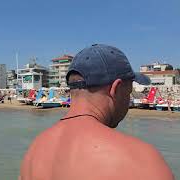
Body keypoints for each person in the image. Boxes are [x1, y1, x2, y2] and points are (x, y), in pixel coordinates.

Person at [19, 44, 174, 180]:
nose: (128, 99)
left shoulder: (34, 152)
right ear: (116, 89)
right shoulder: (140, 158)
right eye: (129, 91)